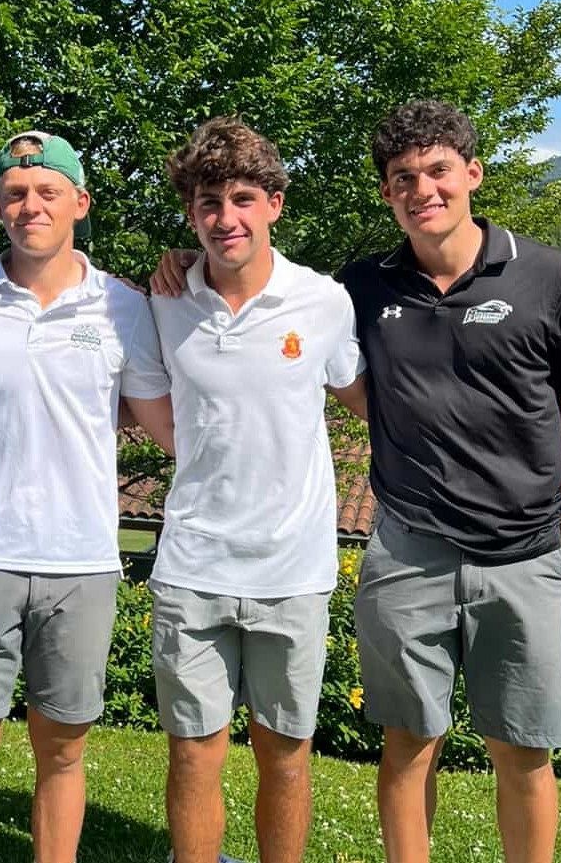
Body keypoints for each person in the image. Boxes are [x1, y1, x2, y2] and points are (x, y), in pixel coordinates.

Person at [340, 100, 561, 863]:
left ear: (472, 173)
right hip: (407, 552)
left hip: (525, 557)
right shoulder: (360, 287)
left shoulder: (551, 277)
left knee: (524, 750)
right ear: (387, 193)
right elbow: (263, 293)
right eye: (403, 178)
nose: (423, 190)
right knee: (408, 743)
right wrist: (183, 265)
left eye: (439, 170)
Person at [0, 130, 174, 863]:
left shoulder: (125, 307)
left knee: (62, 751)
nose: (31, 204)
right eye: (16, 193)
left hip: (82, 564)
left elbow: (165, 423)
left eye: (48, 191)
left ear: (79, 202)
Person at [149, 117, 366, 863]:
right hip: (193, 568)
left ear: (275, 202)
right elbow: (145, 400)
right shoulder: (165, 299)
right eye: (208, 201)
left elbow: (373, 398)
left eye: (244, 197)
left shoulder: (325, 303)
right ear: (190, 212)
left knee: (286, 755)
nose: (225, 217)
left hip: (293, 572)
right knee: (192, 755)